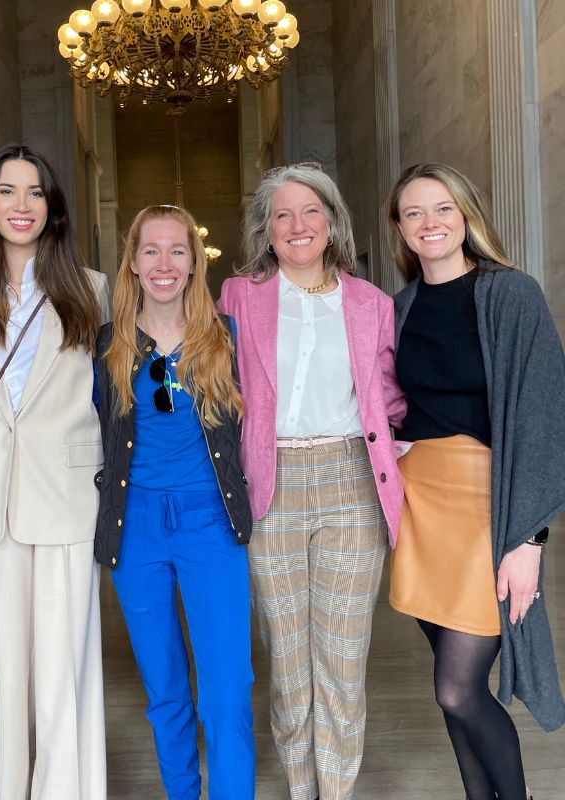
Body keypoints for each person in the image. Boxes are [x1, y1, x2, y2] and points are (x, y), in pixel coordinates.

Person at [218, 164, 406, 800]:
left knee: (344, 657)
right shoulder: (237, 296)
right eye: (282, 215)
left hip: (351, 480)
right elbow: (219, 387)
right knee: (290, 661)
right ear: (266, 231)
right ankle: (302, 786)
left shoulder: (371, 304)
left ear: (332, 223)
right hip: (269, 483)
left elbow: (391, 400)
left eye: (311, 213)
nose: (298, 226)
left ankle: (339, 790)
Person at [386, 162, 565, 800]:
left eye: (442, 209)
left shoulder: (510, 294)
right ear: (400, 229)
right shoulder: (400, 307)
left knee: (458, 687)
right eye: (414, 213)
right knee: (453, 692)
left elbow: (545, 415)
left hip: (485, 506)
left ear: (466, 216)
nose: (429, 223)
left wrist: (528, 541)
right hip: (418, 503)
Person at [0, 144, 110, 800]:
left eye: (35, 192)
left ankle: (67, 788)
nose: (21, 205)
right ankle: (10, 783)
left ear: (54, 207)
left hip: (65, 497)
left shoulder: (92, 290)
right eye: (7, 191)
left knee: (62, 661)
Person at [94, 204, 255, 799]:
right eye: (152, 251)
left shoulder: (227, 336)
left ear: (194, 263)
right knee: (165, 691)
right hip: (134, 530)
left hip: (210, 524)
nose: (164, 263)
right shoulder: (106, 345)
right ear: (133, 262)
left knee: (227, 689)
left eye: (177, 251)